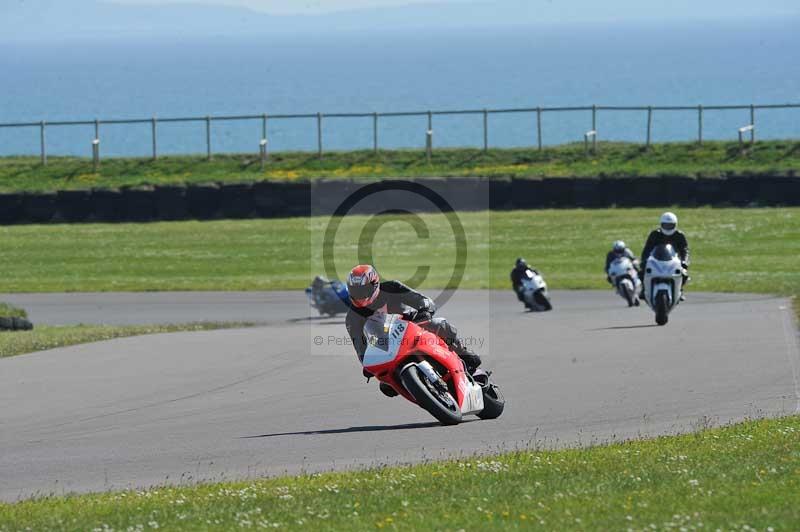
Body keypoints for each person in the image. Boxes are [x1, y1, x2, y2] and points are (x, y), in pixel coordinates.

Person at [344, 264, 482, 398]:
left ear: (375, 284)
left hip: (413, 327)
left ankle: (463, 353)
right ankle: (422, 392)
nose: (360, 295)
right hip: (388, 347)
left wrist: (424, 310)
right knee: (386, 386)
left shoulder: (392, 287)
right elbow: (360, 347)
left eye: (362, 290)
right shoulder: (352, 318)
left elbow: (422, 300)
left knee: (439, 324)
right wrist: (367, 364)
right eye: (355, 291)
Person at [640, 212, 690, 299]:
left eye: (670, 225)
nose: (668, 228)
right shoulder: (655, 234)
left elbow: (685, 250)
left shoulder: (679, 235)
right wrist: (644, 260)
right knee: (642, 272)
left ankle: (680, 290)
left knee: (684, 274)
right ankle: (644, 289)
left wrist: (684, 261)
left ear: (675, 225)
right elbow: (647, 249)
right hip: (656, 260)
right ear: (661, 224)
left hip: (674, 261)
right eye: (665, 225)